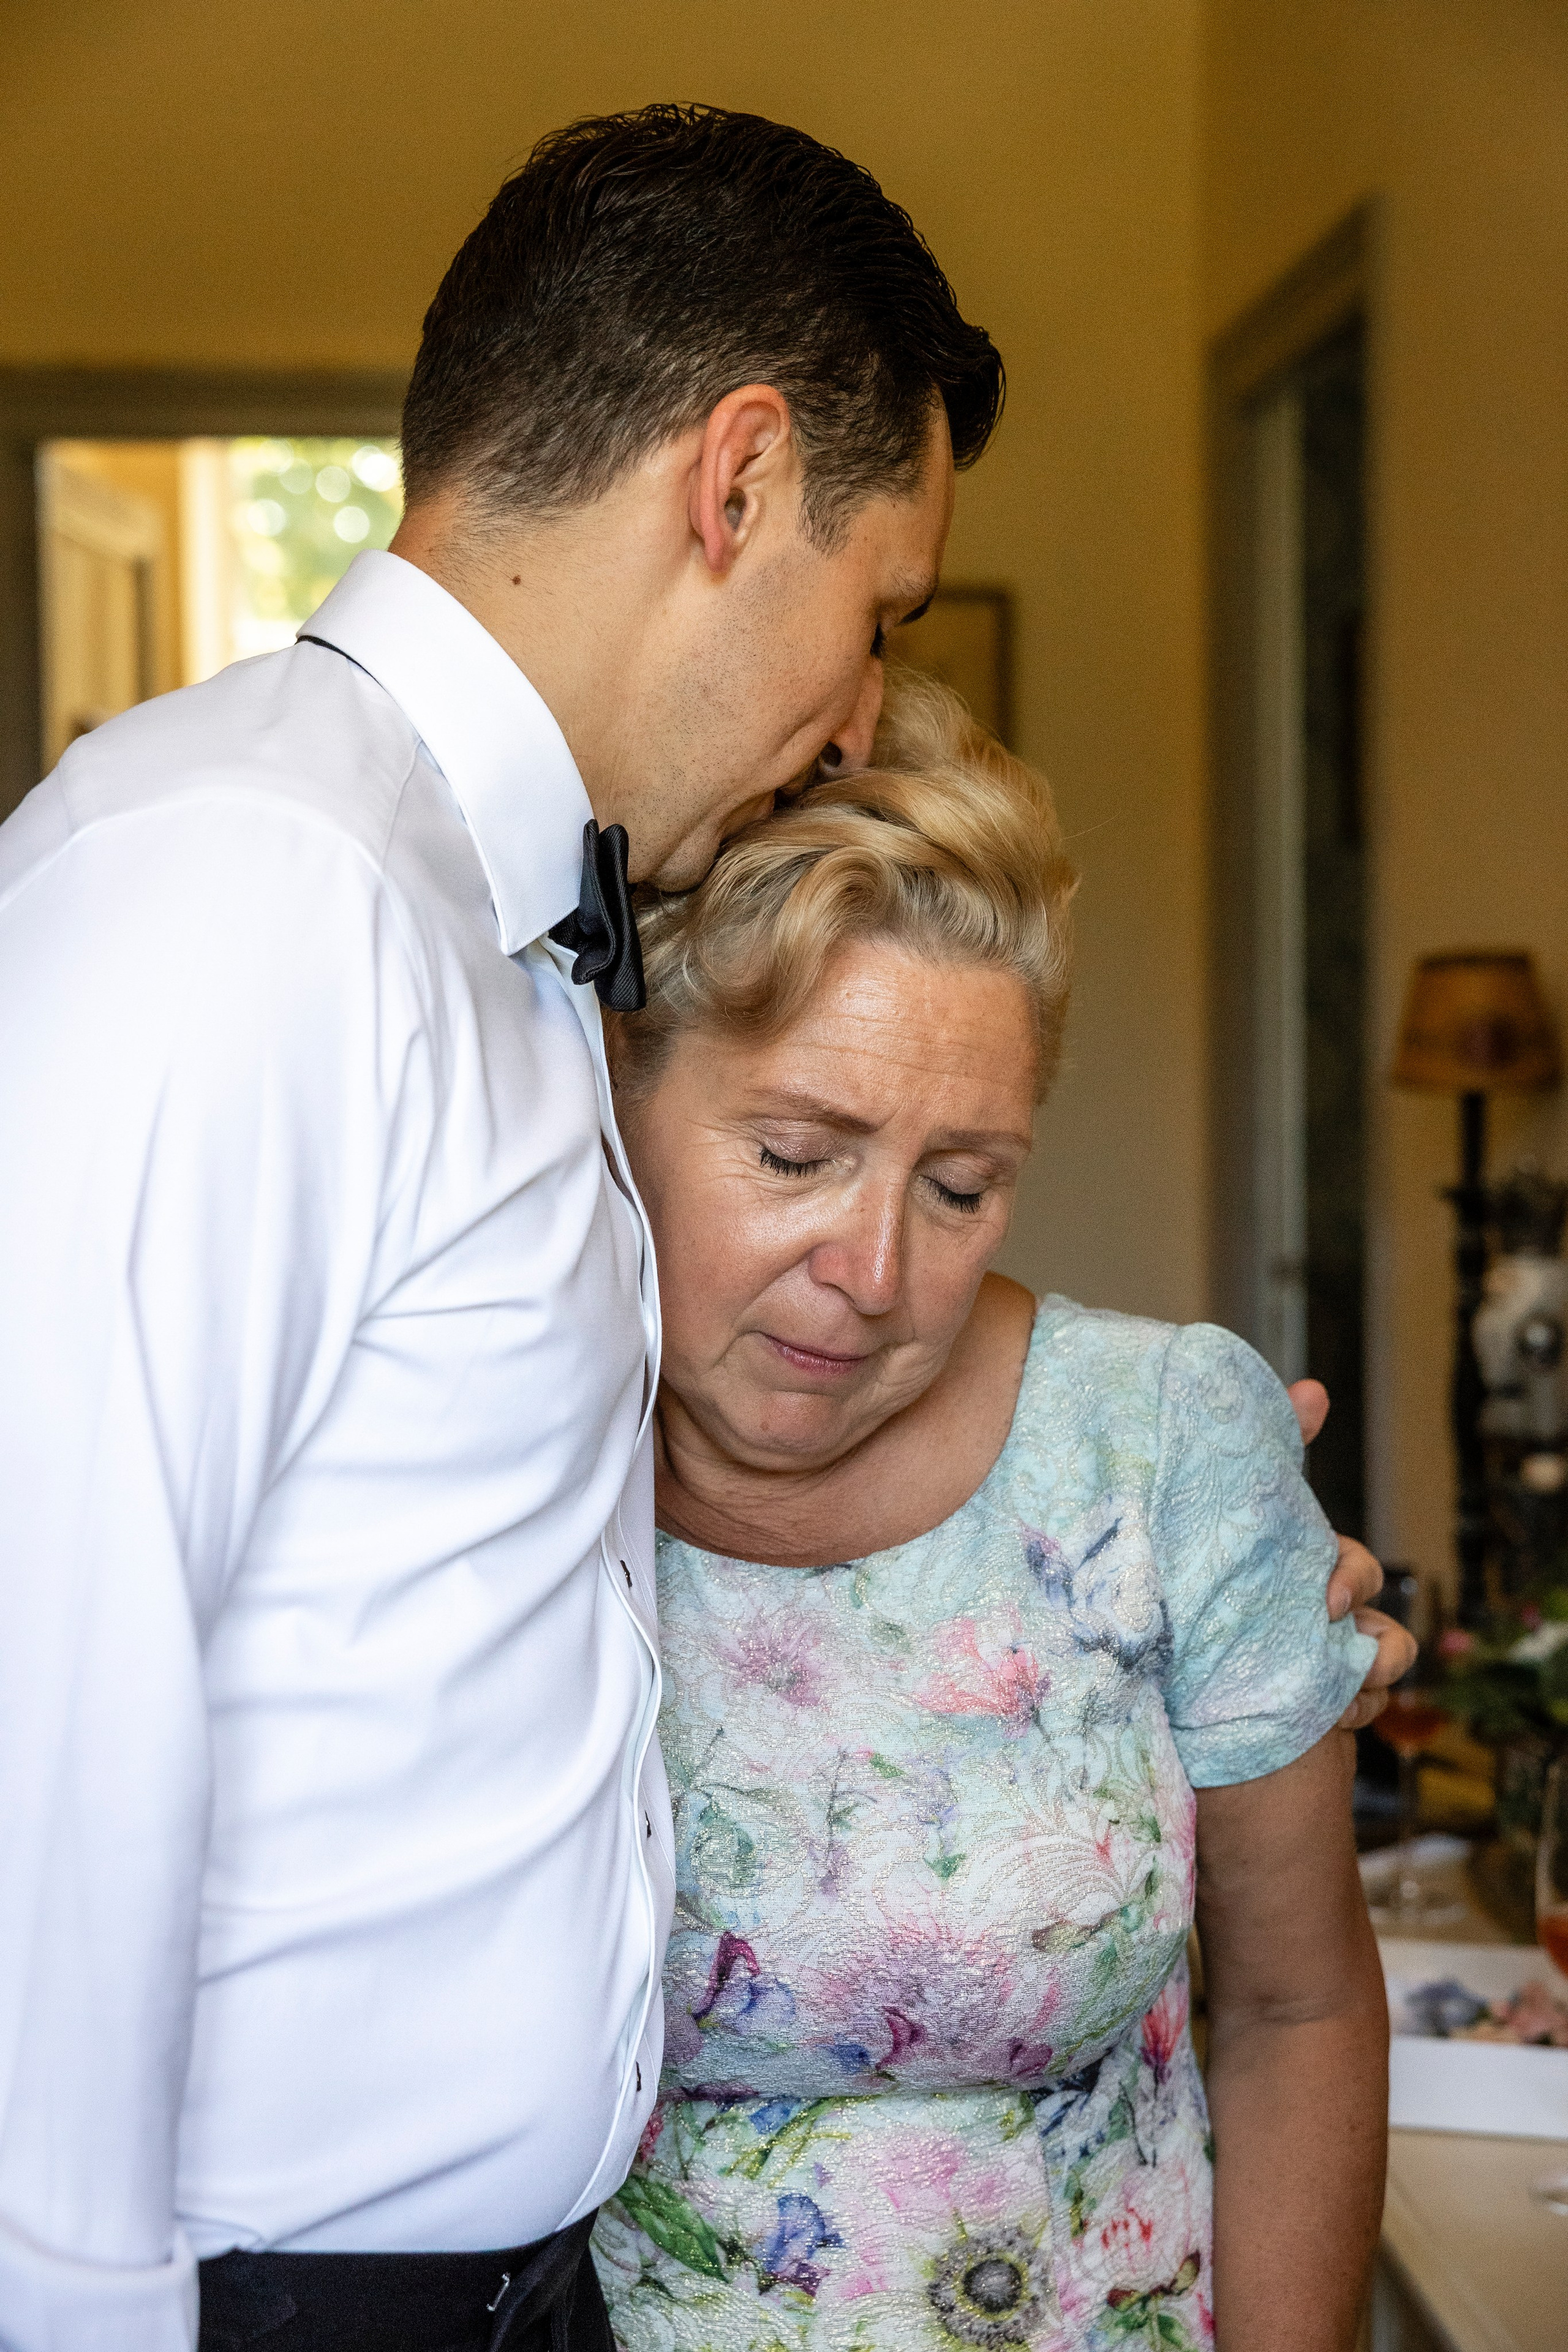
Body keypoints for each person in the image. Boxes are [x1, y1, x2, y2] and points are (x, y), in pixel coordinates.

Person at [0, 105, 1403, 2352]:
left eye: (957, 1181)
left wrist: (1193, 1576)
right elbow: (38, 1703)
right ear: (734, 483)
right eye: (882, 614)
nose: (855, 712)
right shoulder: (244, 892)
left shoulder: (521, 940)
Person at [591, 668, 1390, 2352]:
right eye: (798, 1155)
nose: (875, 1276)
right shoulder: (487, 1449)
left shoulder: (1160, 1441)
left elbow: (1302, 2003)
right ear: (614, 1087)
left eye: (961, 1186)